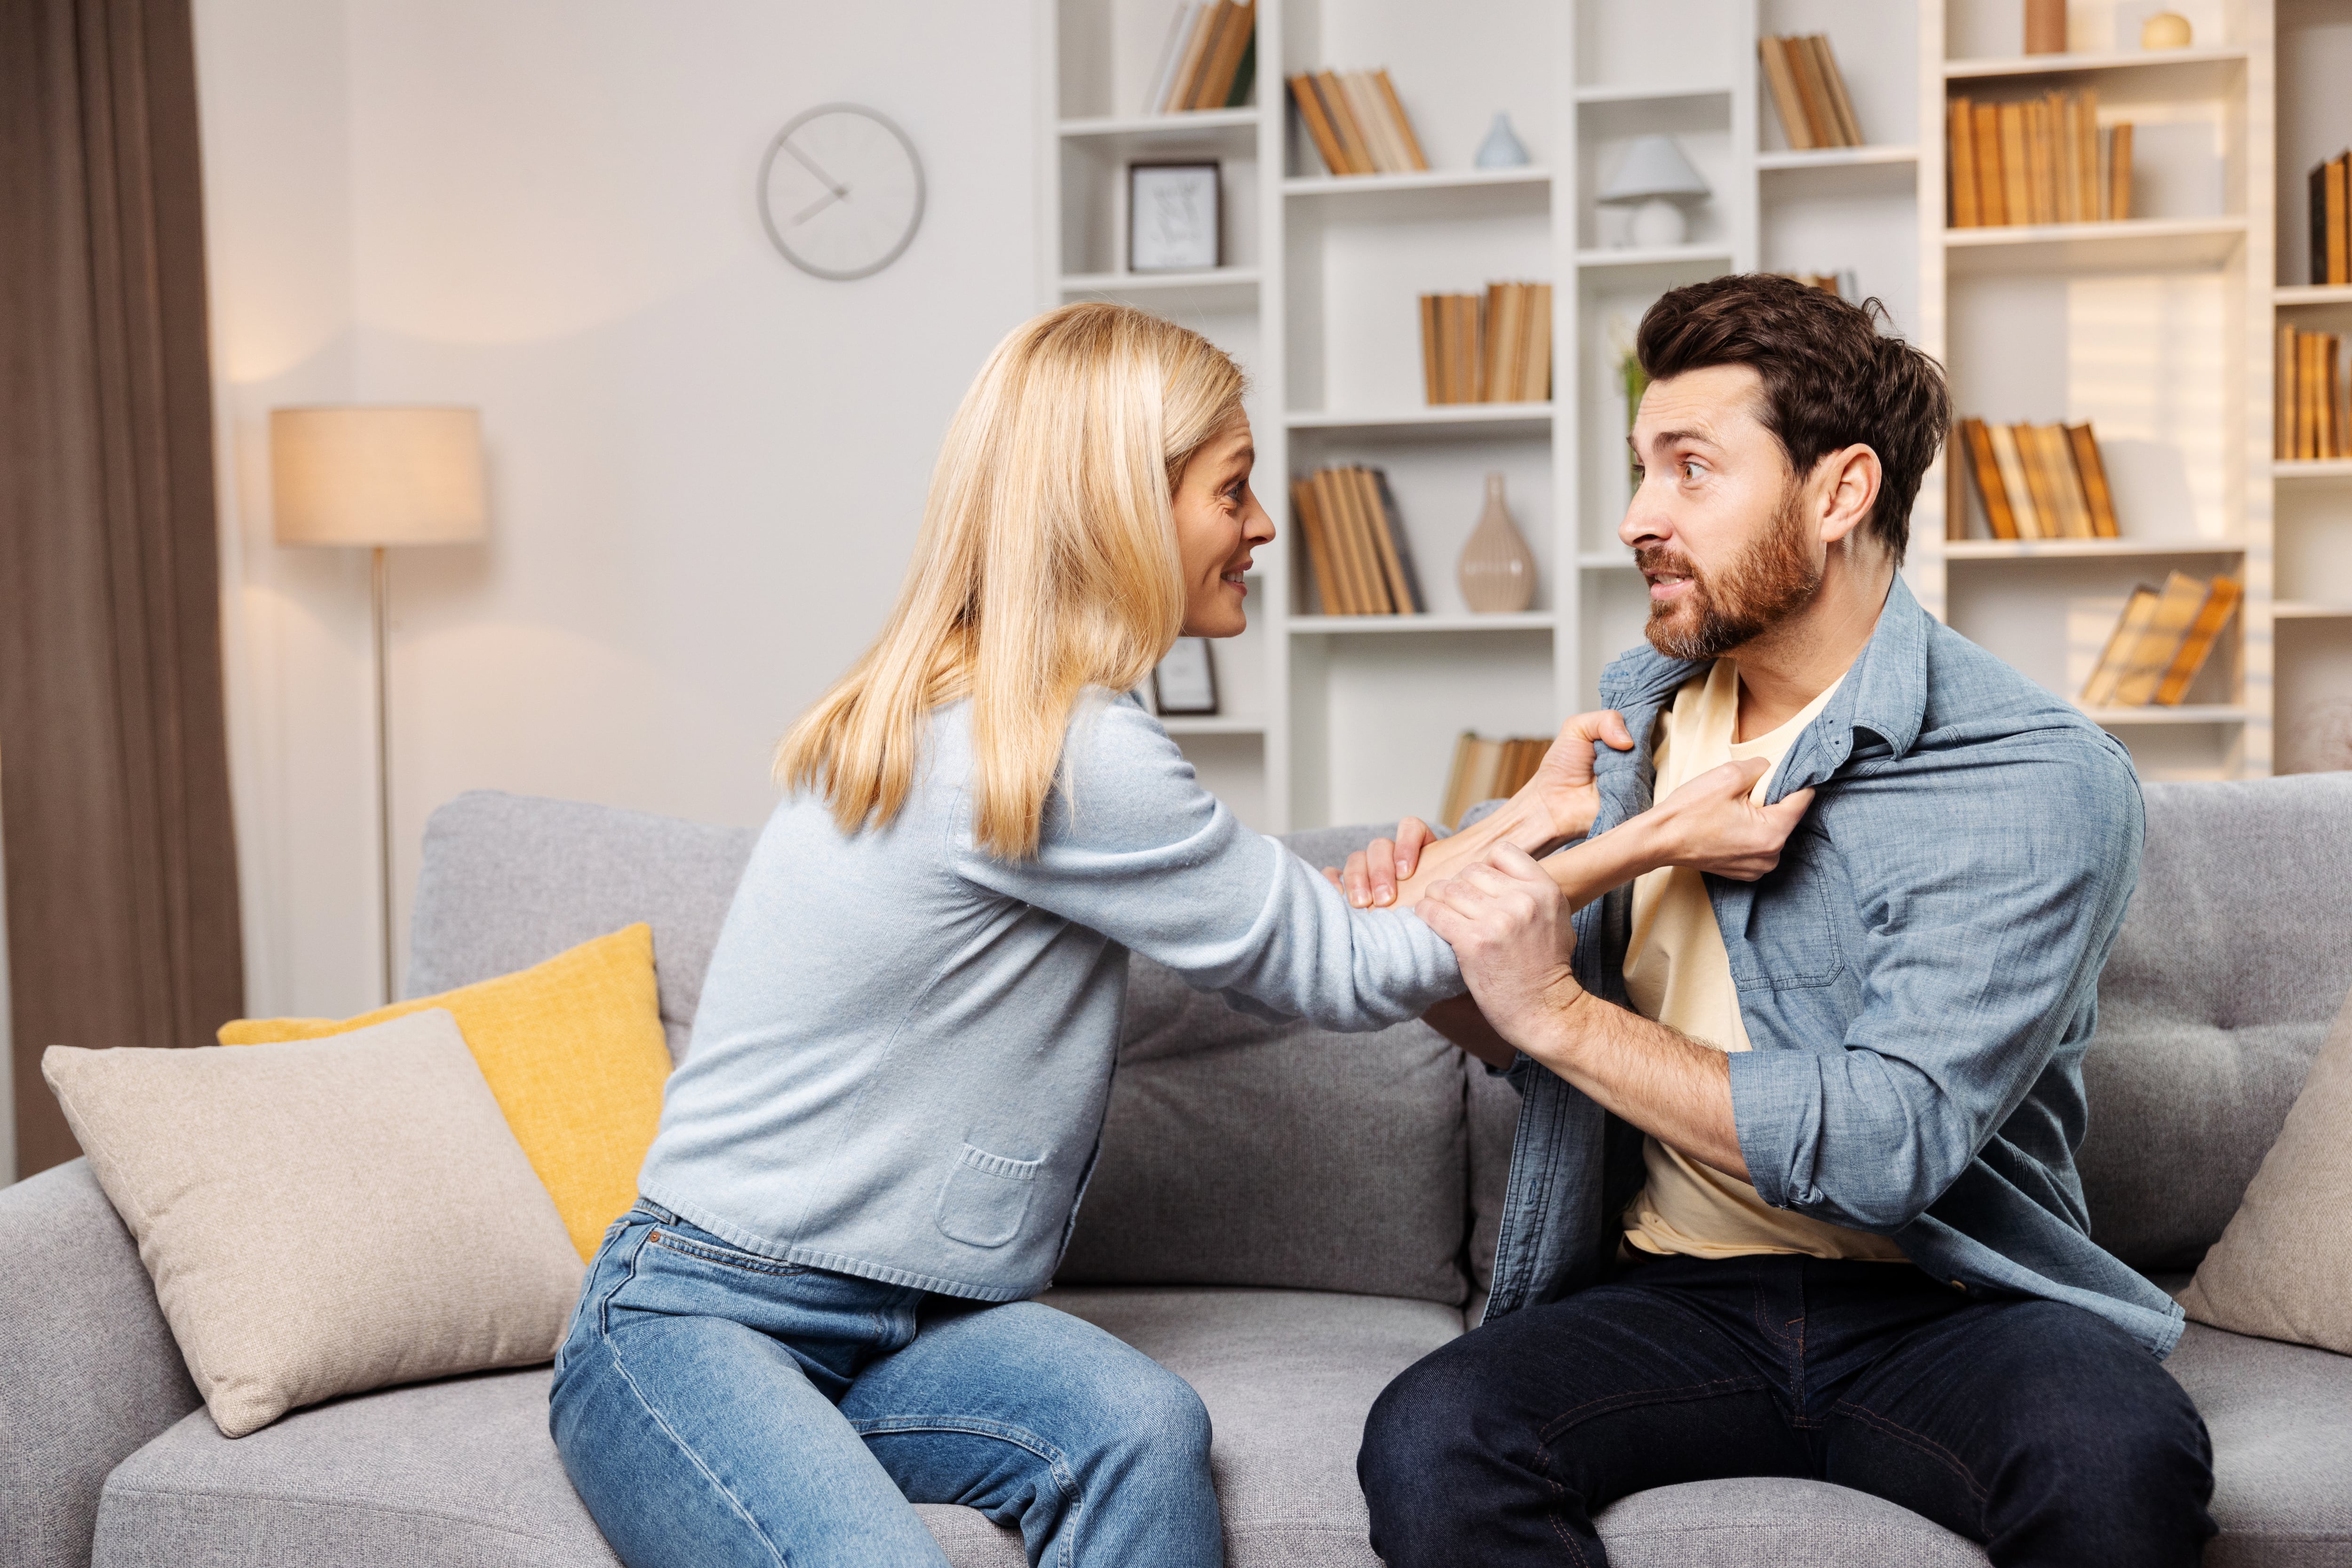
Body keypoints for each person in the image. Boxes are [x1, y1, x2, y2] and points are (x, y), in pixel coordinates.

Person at [546, 301, 1810, 1568]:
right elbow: (1343, 967)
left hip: (914, 1325)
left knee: (1137, 1428)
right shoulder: (1060, 751)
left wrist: (1534, 816)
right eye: (1234, 490)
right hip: (698, 1314)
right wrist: (1649, 841)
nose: (1261, 527)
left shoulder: (1009, 712)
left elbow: (1317, 918)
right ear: (1121, 508)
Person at [1350, 273, 2217, 1567]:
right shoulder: (1633, 727)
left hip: (1954, 1305)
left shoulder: (2032, 775)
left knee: (2116, 1458)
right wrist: (1439, 955)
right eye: (1643, 468)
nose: (1641, 517)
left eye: (1691, 469)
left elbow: (1888, 1148)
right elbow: (1511, 1033)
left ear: (1840, 492)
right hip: (1668, 1293)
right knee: (1436, 1436)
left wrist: (1558, 1011)